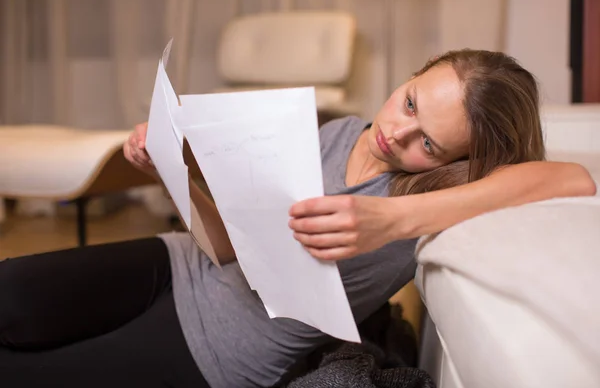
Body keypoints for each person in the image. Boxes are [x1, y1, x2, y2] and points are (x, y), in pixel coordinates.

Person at [0, 50, 595, 388]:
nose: (396, 132)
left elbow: (572, 179)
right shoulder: (343, 130)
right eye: (409, 101)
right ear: (412, 77)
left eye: (429, 144)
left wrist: (393, 218)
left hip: (219, 349)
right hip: (182, 264)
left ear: (460, 160)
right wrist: (174, 169)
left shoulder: (433, 197)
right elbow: (231, 247)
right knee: (11, 294)